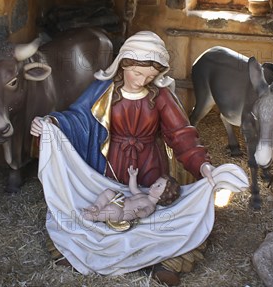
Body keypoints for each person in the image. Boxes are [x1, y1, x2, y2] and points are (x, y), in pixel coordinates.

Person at [31, 30, 216, 285]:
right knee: (109, 208)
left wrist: (203, 165)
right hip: (109, 164)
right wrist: (50, 124)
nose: (142, 81)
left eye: (150, 76)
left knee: (151, 214)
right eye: (137, 73)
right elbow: (79, 119)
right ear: (123, 64)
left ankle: (160, 259)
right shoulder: (103, 89)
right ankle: (88, 250)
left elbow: (181, 134)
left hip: (150, 165)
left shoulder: (160, 95)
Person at [81, 166, 180, 227]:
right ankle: (97, 206)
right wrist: (133, 177)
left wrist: (139, 213)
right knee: (109, 192)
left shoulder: (150, 205)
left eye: (158, 186)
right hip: (119, 200)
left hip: (121, 214)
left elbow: (146, 212)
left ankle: (94, 216)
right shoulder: (143, 195)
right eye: (155, 182)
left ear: (162, 196)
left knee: (111, 209)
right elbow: (133, 188)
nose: (153, 185)